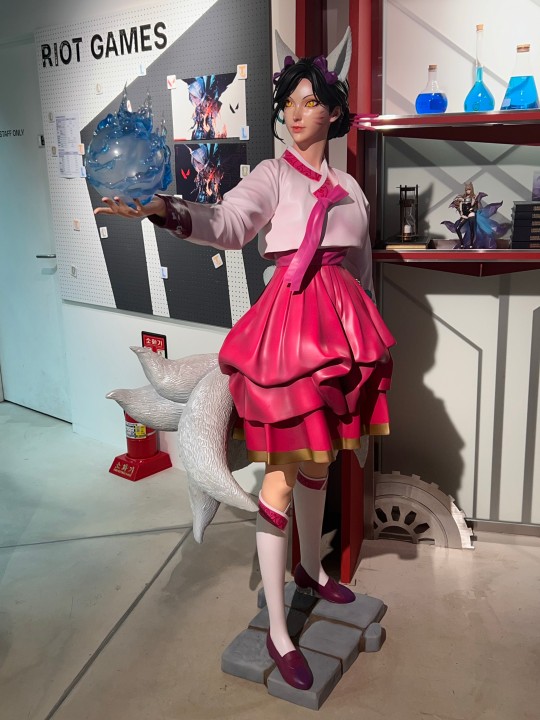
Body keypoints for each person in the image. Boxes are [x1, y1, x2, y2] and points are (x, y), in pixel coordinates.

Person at [95, 28, 395, 691]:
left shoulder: (351, 188)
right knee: (281, 479)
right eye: (288, 102)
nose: (295, 113)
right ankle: (281, 630)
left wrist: (369, 341)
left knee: (319, 465)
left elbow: (362, 267)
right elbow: (228, 224)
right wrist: (164, 210)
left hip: (341, 332)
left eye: (309, 101)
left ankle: (311, 569)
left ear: (333, 111)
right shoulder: (272, 176)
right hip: (289, 333)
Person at [453, 181, 478, 248]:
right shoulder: (463, 197)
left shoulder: (473, 197)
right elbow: (460, 204)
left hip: (471, 213)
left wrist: (472, 207)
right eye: (466, 190)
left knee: (471, 229)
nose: (468, 191)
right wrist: (461, 211)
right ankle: (462, 243)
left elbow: (475, 207)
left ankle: (471, 244)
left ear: (471, 189)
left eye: (469, 189)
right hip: (464, 214)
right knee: (457, 228)